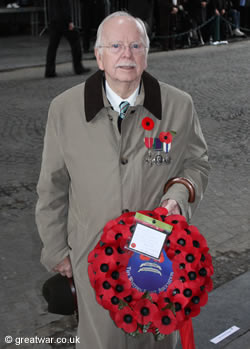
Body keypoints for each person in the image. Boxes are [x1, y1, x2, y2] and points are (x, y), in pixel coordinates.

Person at [36, 11, 210, 349]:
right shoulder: (65, 109)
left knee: (156, 342)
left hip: (158, 260)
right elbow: (52, 186)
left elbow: (197, 164)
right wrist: (57, 249)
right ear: (99, 55)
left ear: (147, 53)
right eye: (115, 45)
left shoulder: (178, 106)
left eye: (135, 45)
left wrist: (177, 195)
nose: (126, 54)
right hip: (92, 261)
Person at [45, 0, 90, 78]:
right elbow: (65, 6)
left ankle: (49, 70)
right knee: (75, 41)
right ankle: (78, 67)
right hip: (63, 20)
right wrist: (69, 21)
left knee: (52, 46)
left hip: (54, 19)